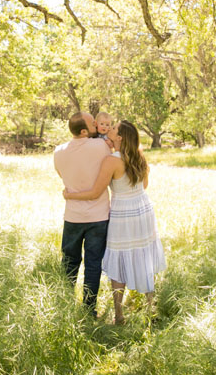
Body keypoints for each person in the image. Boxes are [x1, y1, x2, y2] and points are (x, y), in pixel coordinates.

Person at [64, 120, 165, 324]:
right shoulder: (139, 155)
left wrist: (69, 195)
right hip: (143, 208)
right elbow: (144, 185)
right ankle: (150, 309)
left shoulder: (112, 160)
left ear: (119, 137)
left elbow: (95, 192)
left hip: (123, 213)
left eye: (113, 128)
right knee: (143, 255)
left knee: (119, 259)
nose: (108, 129)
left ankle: (119, 315)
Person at [53, 111, 113, 317]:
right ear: (84, 130)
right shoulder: (100, 146)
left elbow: (62, 175)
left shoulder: (58, 151)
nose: (98, 124)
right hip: (98, 216)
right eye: (93, 122)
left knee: (69, 262)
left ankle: (64, 304)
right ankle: (89, 309)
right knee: (93, 264)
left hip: (72, 216)